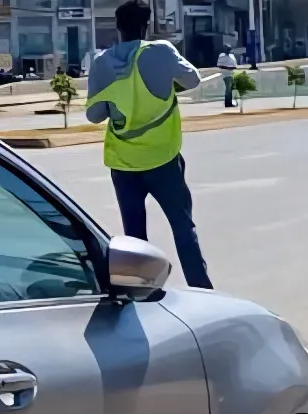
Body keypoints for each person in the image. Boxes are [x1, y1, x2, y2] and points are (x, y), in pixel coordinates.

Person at [85, 0, 212, 289]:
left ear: (117, 27)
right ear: (147, 26)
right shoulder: (161, 52)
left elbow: (94, 115)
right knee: (183, 228)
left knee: (134, 236)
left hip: (123, 163)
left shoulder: (102, 63)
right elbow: (193, 80)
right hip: (163, 159)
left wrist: (116, 102)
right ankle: (202, 289)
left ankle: (141, 293)